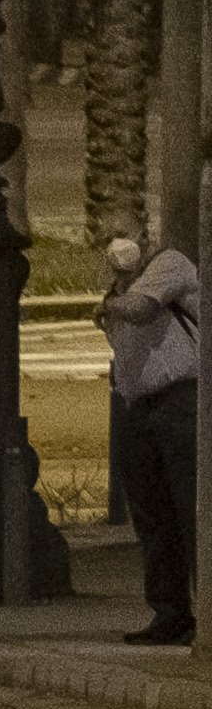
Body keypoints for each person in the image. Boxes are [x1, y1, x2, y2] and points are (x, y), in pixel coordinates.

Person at [106, 230, 201, 647]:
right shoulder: (119, 288)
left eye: (128, 233)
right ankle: (170, 614)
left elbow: (142, 311)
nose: (119, 245)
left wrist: (107, 305)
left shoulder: (170, 264)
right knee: (152, 517)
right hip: (137, 405)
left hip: (181, 400)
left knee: (191, 510)